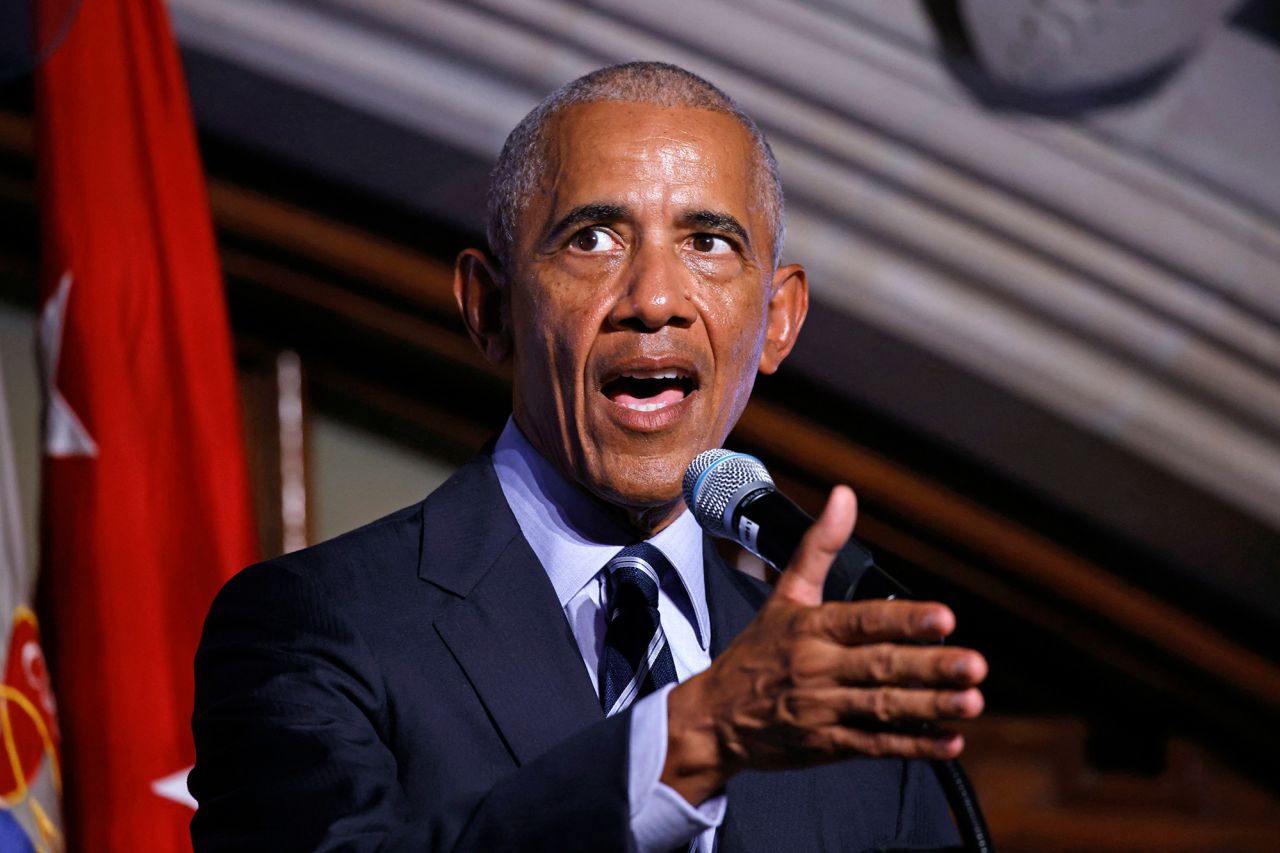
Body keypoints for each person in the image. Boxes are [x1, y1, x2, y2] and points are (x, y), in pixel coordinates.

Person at [190, 61, 987, 852]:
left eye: (708, 242)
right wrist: (693, 740)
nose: (654, 299)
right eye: (593, 238)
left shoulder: (840, 701)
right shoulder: (313, 625)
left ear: (778, 319)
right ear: (490, 307)